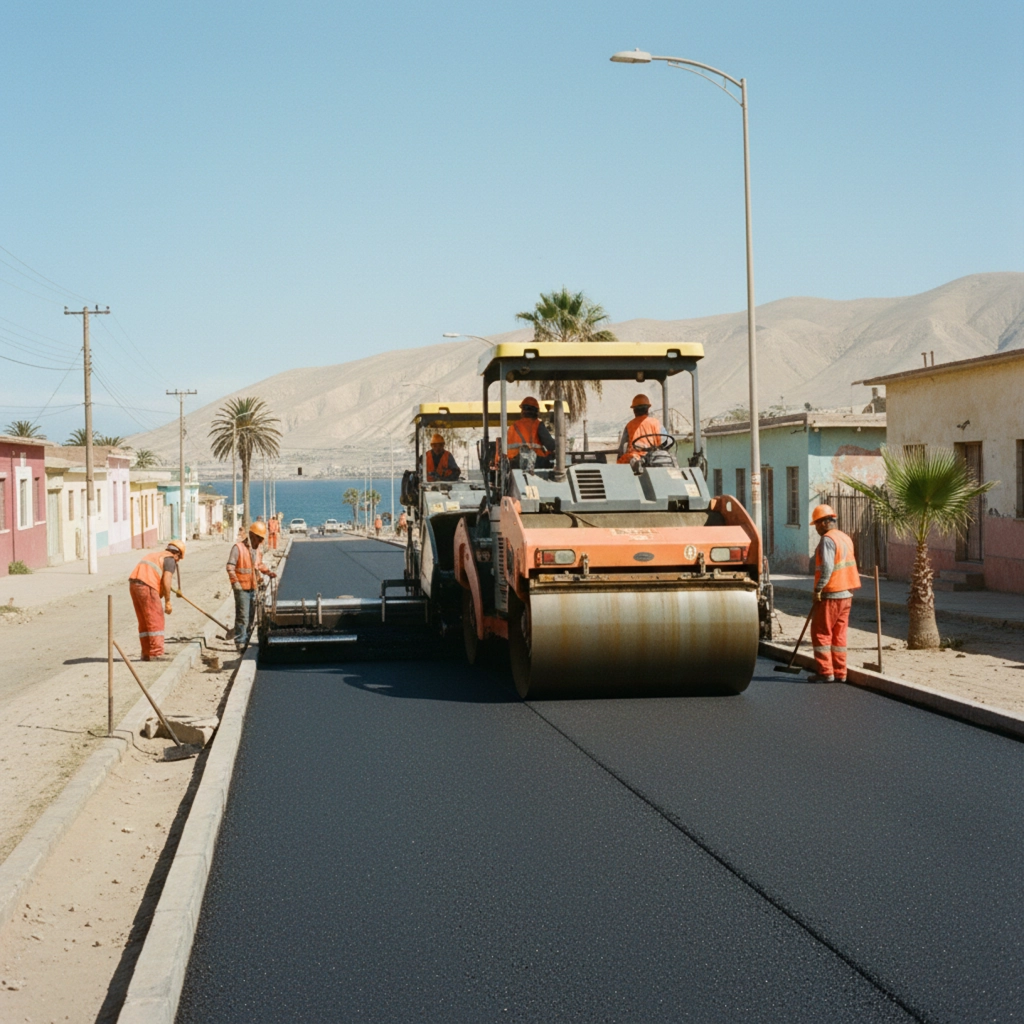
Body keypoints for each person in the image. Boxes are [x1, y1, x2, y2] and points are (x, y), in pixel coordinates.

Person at [808, 504, 861, 683]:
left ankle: (825, 672)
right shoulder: (844, 537)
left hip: (831, 593)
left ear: (824, 523)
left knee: (821, 632)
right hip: (847, 593)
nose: (815, 528)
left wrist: (818, 589)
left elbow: (828, 567)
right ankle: (840, 672)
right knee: (839, 634)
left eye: (816, 524)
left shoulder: (827, 540)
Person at [128, 540, 185, 661]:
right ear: (177, 554)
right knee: (155, 618)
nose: (178, 561)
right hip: (147, 585)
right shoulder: (170, 559)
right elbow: (167, 579)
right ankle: (156, 653)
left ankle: (146, 653)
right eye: (179, 558)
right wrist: (168, 601)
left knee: (144, 620)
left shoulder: (155, 555)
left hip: (134, 584)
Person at [227, 521, 277, 652]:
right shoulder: (237, 548)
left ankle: (247, 639)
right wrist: (235, 583)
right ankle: (240, 642)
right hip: (241, 588)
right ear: (251, 535)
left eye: (261, 539)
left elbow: (258, 565)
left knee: (251, 617)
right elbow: (230, 567)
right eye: (258, 539)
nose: (259, 542)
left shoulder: (257, 550)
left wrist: (268, 572)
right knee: (242, 616)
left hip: (253, 586)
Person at [502, 397, 555, 468]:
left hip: (513, 463)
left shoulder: (513, 426)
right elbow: (551, 445)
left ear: (522, 410)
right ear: (536, 411)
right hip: (534, 463)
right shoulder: (538, 425)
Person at [617, 394, 664, 465]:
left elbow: (622, 449)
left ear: (634, 410)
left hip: (635, 460)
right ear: (647, 409)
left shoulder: (629, 425)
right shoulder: (656, 423)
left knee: (621, 462)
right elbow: (667, 442)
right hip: (654, 458)